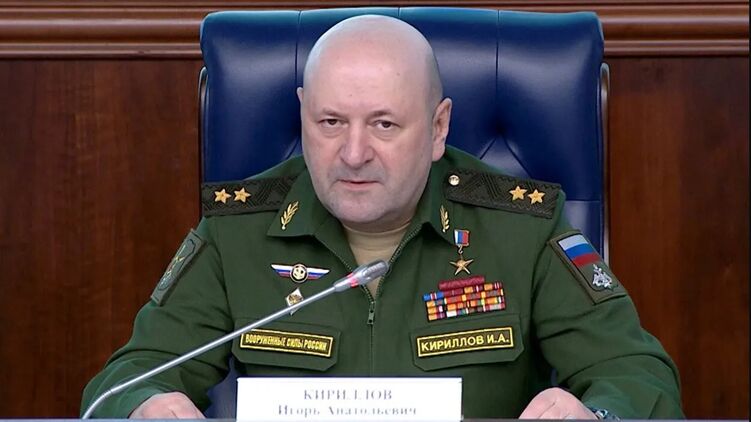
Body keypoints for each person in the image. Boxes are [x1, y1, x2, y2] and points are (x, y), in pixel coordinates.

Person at [81, 15, 683, 419]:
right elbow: (124, 381)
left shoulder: (520, 227)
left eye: (384, 124)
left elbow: (638, 374)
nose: (353, 153)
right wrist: (144, 406)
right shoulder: (236, 229)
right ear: (303, 115)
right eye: (330, 122)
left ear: (439, 128)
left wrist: (596, 414)